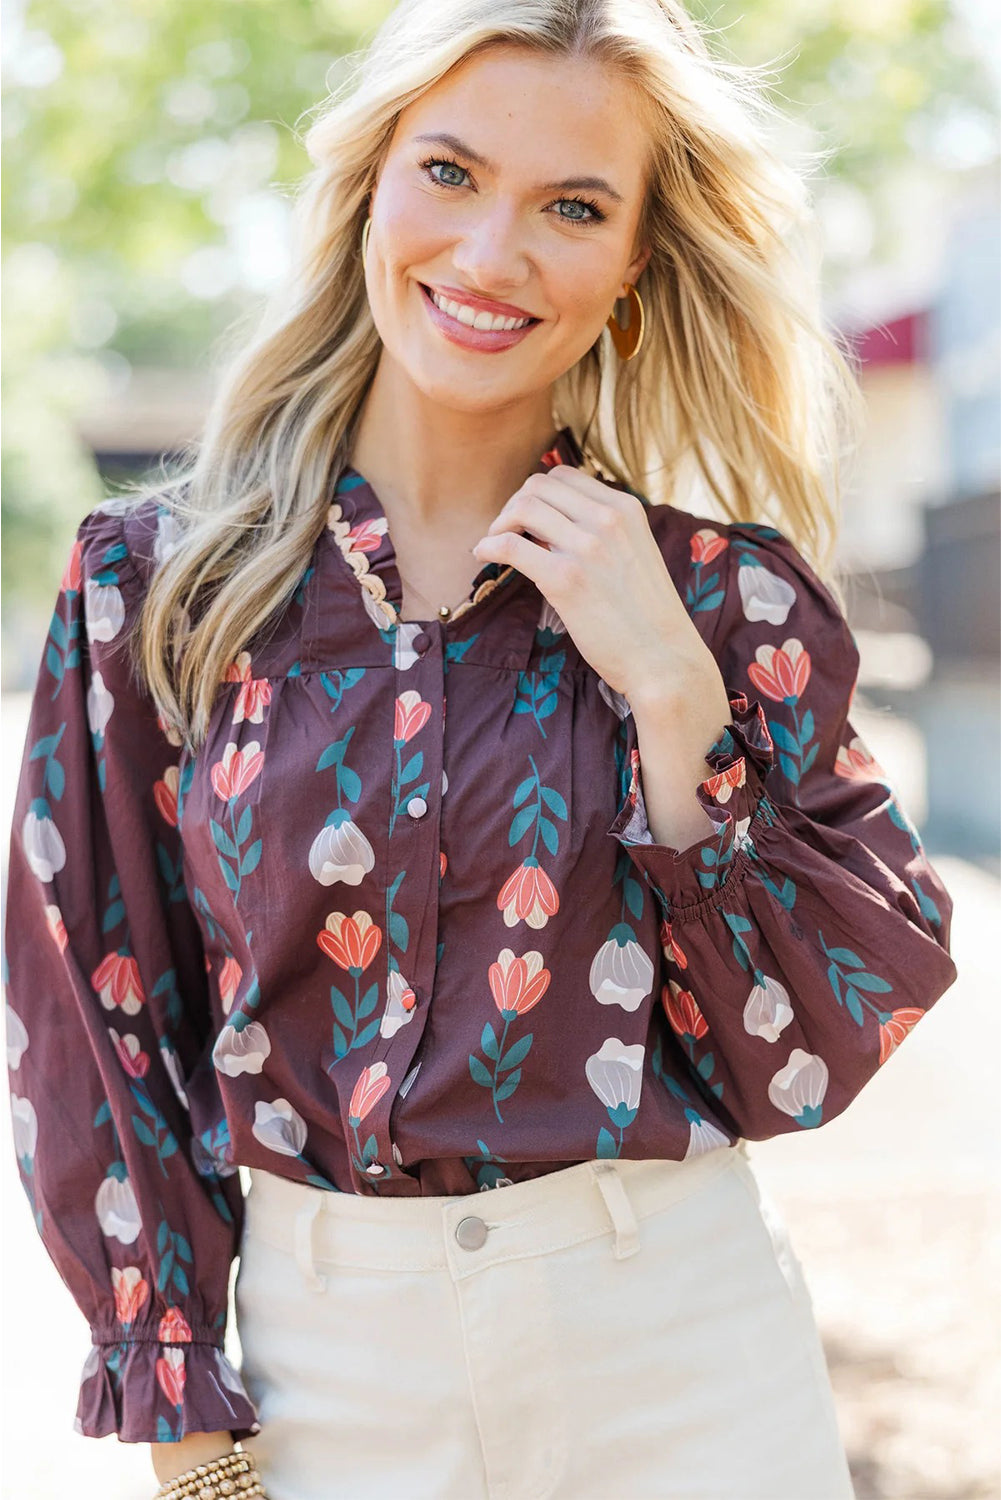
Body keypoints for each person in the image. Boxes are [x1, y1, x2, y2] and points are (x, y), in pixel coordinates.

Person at [4, 1, 960, 1497]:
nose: (491, 251)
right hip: (329, 1378)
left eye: (572, 207)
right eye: (449, 173)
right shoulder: (158, 587)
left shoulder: (725, 600)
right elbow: (94, 1013)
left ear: (633, 265)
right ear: (369, 189)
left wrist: (672, 697)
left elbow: (807, 1051)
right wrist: (184, 1425)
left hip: (683, 1357)